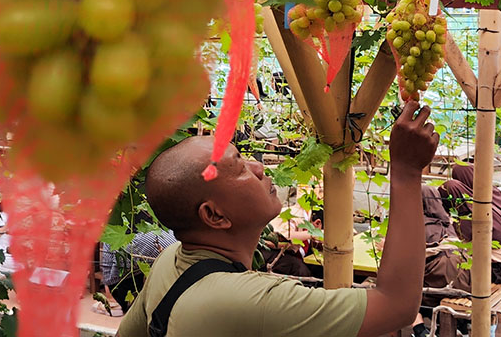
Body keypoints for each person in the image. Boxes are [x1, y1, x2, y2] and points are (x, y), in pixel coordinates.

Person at [117, 102, 439, 337]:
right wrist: (407, 172)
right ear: (214, 215)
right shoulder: (250, 302)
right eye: (239, 168)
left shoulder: (170, 263)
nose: (258, 168)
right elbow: (396, 305)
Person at [99, 228, 177, 311]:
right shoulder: (164, 229)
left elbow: (111, 278)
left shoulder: (130, 242)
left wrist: (109, 293)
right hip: (175, 271)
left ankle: (114, 304)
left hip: (134, 279)